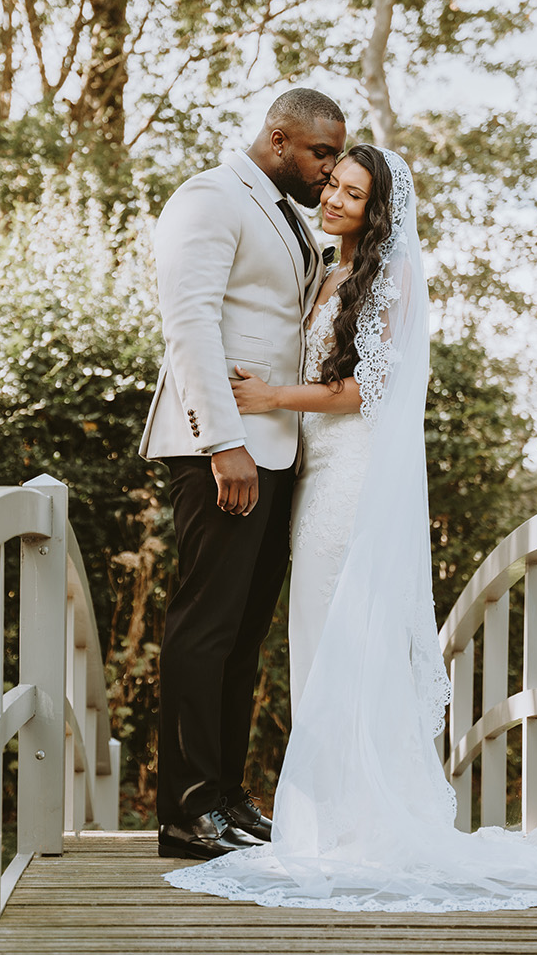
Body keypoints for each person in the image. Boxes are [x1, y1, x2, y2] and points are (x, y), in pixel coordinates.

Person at [165, 145, 537, 912]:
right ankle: (332, 814)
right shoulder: (327, 271)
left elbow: (363, 391)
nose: (337, 200)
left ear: (378, 207)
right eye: (334, 187)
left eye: (354, 193)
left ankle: (359, 824)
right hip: (313, 478)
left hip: (353, 479)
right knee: (318, 640)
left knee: (345, 638)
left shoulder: (392, 276)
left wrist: (273, 397)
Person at [140, 88, 346, 860]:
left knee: (243, 635)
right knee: (206, 629)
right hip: (220, 449)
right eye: (320, 154)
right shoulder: (208, 196)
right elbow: (188, 318)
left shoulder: (291, 219)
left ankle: (225, 796)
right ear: (279, 137)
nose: (329, 172)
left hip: (279, 449)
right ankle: (186, 812)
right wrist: (222, 440)